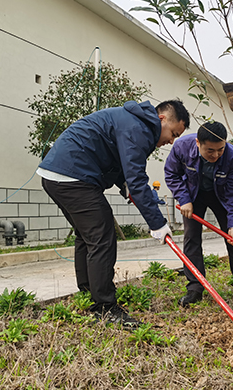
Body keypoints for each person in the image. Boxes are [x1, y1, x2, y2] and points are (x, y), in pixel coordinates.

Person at [37, 99, 190, 327]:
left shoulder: (133, 122)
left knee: (87, 236)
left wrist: (126, 185)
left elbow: (122, 166)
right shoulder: (138, 128)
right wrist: (157, 223)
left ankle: (89, 291)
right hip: (73, 175)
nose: (171, 141)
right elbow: (136, 178)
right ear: (162, 119)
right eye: (173, 133)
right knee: (102, 237)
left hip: (57, 175)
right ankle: (106, 308)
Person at [164, 121, 233, 307]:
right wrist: (184, 199)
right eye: (210, 151)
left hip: (221, 196)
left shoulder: (232, 157)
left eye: (220, 150)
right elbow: (171, 174)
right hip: (193, 195)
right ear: (198, 143)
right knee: (191, 237)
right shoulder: (182, 147)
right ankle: (195, 287)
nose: (216, 155)